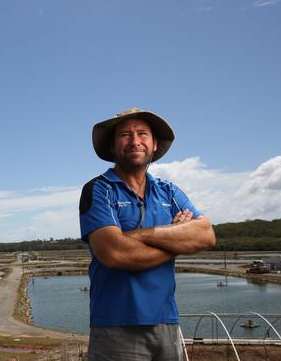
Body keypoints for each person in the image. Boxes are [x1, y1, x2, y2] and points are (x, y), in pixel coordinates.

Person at [79, 108, 216, 361]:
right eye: (125, 134)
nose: (134, 140)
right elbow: (115, 253)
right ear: (112, 146)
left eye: (142, 134)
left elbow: (206, 234)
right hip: (115, 324)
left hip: (167, 322)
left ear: (154, 145)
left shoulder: (169, 191)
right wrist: (177, 238)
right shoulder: (99, 189)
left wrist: (133, 236)